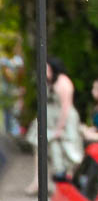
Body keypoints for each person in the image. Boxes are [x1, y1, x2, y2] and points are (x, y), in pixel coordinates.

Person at [24, 58, 83, 194]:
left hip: (63, 121)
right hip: (49, 120)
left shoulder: (63, 82)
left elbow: (66, 107)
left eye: (47, 68)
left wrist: (59, 128)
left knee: (66, 151)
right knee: (39, 147)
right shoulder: (48, 81)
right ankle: (38, 182)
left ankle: (66, 184)